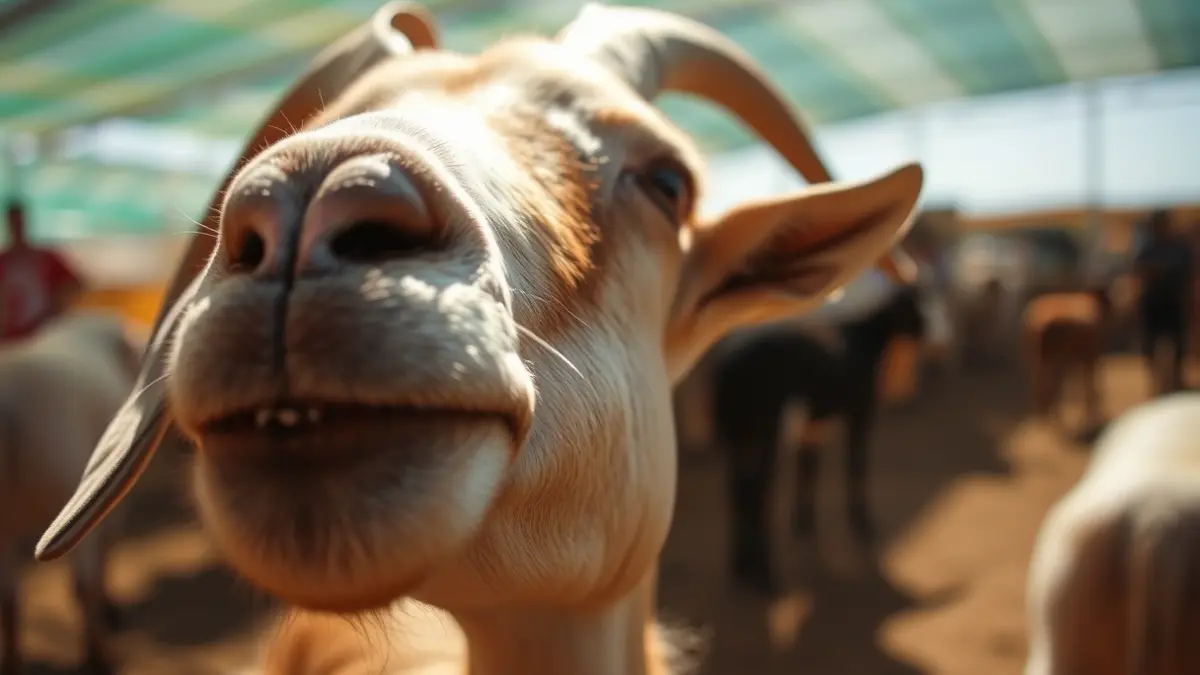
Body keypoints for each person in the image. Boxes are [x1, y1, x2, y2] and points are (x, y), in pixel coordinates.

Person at [0, 199, 85, 343]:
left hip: (43, 333)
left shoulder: (46, 258)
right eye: (13, 222)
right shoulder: (4, 260)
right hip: (11, 336)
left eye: (19, 222)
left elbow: (77, 284)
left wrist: (57, 307)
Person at [1132, 209, 1193, 393]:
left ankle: (1176, 380)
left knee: (1178, 343)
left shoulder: (1179, 248)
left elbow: (1189, 275)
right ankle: (1155, 382)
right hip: (1153, 302)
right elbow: (1139, 270)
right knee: (1150, 344)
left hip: (1174, 301)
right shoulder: (1148, 248)